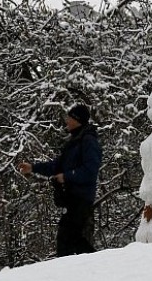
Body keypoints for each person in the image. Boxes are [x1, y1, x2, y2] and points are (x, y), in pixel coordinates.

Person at [19, 104, 102, 257]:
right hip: (71, 198)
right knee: (71, 238)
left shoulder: (88, 141)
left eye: (69, 118)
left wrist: (67, 176)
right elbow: (56, 166)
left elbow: (91, 170)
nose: (66, 121)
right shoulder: (74, 142)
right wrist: (33, 168)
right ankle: (92, 264)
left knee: (68, 238)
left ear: (77, 120)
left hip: (81, 198)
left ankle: (100, 262)